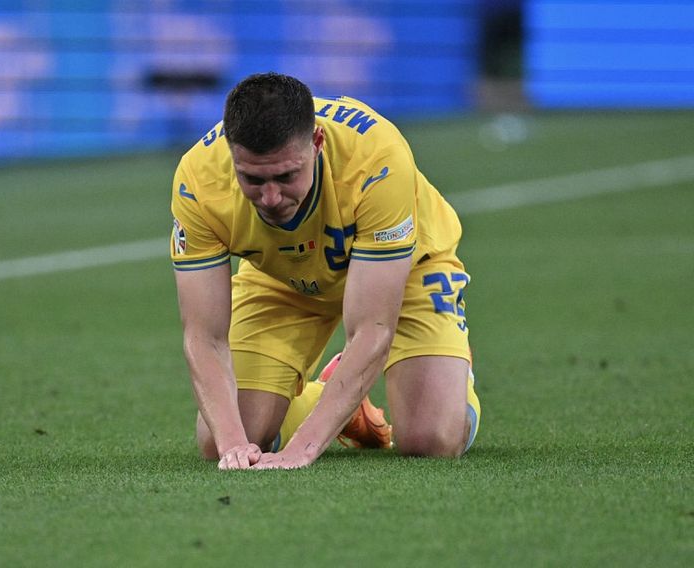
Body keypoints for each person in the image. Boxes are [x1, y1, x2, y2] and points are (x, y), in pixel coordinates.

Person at [170, 72, 481, 470]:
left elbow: (373, 329)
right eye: (252, 179)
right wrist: (233, 446)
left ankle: (453, 370)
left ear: (316, 143)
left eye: (286, 176)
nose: (270, 197)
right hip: (281, 278)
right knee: (219, 439)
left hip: (406, 273)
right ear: (231, 155)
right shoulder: (198, 179)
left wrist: (302, 449)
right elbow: (204, 336)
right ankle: (338, 401)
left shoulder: (377, 159)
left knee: (431, 438)